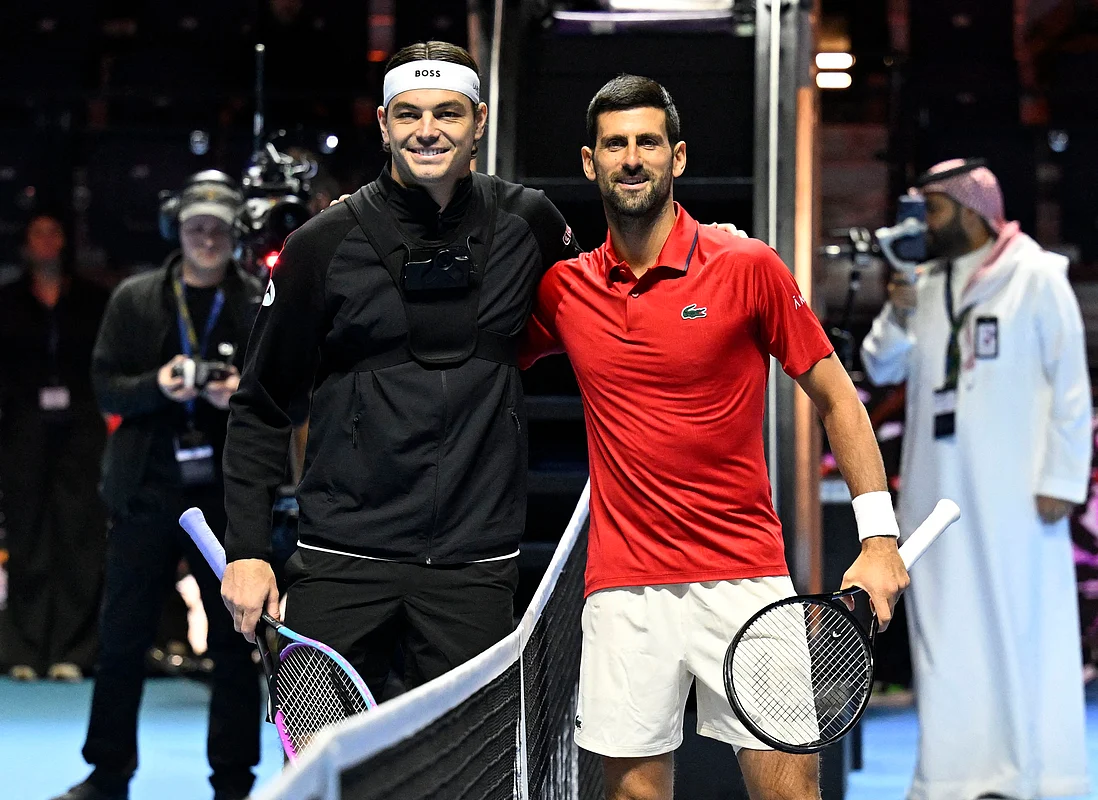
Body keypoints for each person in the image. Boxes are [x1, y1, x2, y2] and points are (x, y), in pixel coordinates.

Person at [520, 75, 909, 800]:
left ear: (677, 157)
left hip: (746, 580)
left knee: (790, 794)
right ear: (589, 162)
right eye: (615, 145)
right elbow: (475, 361)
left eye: (647, 142)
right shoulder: (565, 291)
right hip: (623, 591)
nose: (631, 158)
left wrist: (879, 540)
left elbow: (837, 397)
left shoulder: (747, 266)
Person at [219, 41, 585, 699]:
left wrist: (707, 252)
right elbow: (262, 404)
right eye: (409, 113)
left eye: (447, 112)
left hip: (473, 567)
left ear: (479, 121)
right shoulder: (320, 245)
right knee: (324, 755)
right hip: (341, 562)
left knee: (468, 761)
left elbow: (609, 318)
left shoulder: (530, 223)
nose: (427, 130)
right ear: (384, 125)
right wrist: (247, 549)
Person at [861, 159, 1091, 800]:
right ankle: (950, 777)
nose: (923, 225)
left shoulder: (1037, 276)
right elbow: (880, 367)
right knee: (943, 632)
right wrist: (898, 309)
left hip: (1020, 494)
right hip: (934, 493)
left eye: (933, 210)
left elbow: (1071, 385)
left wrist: (1064, 478)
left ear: (970, 211)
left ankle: (1034, 775)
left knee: (1021, 627)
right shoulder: (924, 283)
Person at [52, 173, 263, 800]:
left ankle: (234, 782)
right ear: (178, 228)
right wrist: (157, 387)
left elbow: (287, 396)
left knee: (235, 646)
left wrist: (238, 396)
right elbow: (105, 388)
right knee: (121, 640)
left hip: (226, 497)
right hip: (145, 490)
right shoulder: (136, 298)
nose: (207, 238)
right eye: (197, 227)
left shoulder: (258, 301)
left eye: (219, 229)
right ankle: (107, 773)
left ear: (234, 235)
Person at [0, 213, 109, 682]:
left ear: (64, 241)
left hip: (80, 426)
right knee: (26, 536)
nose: (45, 241)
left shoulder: (92, 299)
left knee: (79, 535)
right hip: (22, 427)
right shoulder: (7, 301)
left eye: (53, 232)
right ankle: (23, 649)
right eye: (36, 233)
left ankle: (74, 651)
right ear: (25, 244)